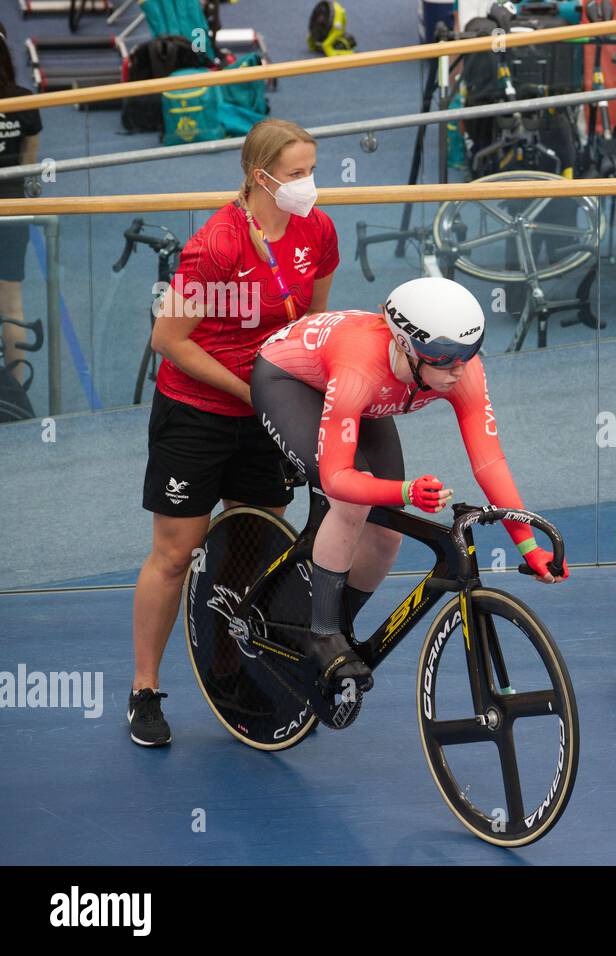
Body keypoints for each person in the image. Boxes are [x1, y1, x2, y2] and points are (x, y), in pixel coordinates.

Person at [252, 277, 567, 695]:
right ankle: (323, 634)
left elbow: (489, 461)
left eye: (469, 352)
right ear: (406, 346)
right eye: (445, 358)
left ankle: (336, 622)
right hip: (289, 382)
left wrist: (527, 546)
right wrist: (405, 491)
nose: (459, 369)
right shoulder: (359, 367)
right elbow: (338, 479)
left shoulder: (458, 367)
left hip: (367, 395)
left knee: (387, 535)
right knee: (351, 502)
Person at [129, 118, 339, 747]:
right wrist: (250, 389)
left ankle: (230, 666)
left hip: (266, 414)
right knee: (176, 551)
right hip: (196, 413)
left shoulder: (316, 230)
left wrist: (305, 391)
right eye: (297, 173)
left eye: (312, 170)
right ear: (261, 176)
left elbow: (314, 319)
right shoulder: (217, 246)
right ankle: (144, 689)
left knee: (252, 545)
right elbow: (168, 340)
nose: (309, 185)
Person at [0, 21, 43, 405]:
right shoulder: (25, 102)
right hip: (13, 212)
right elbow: (31, 173)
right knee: (11, 302)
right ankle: (13, 393)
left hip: (12, 210)